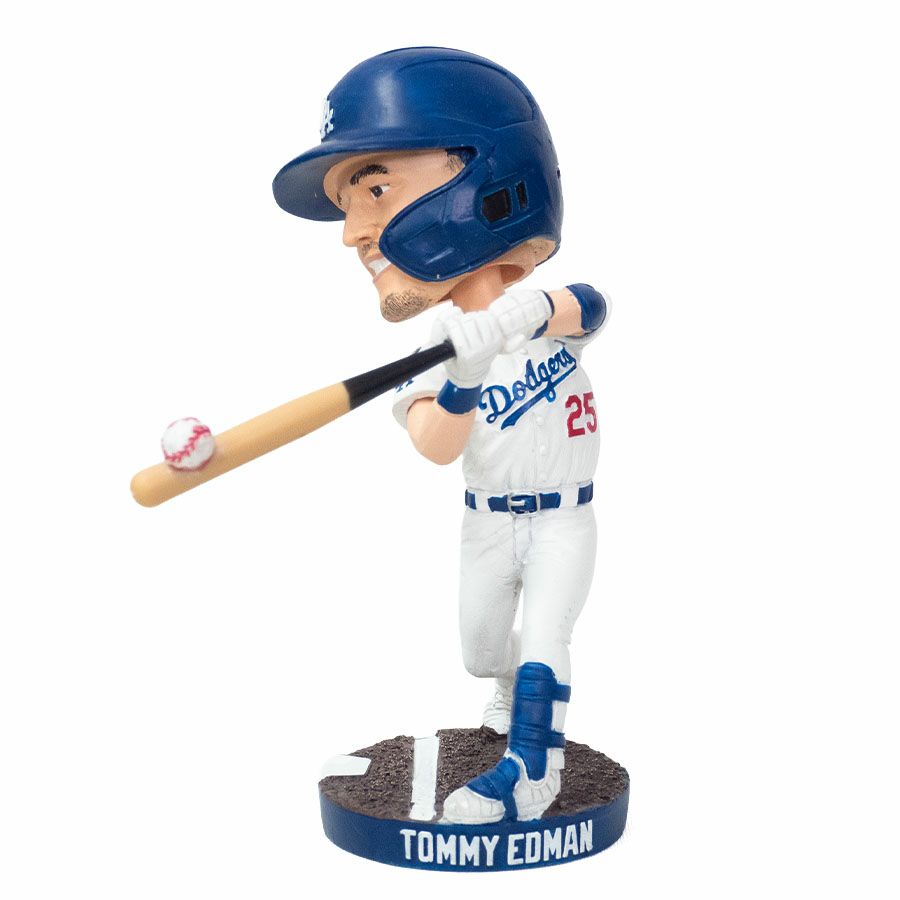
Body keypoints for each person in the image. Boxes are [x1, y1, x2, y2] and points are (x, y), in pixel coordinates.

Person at [272, 47, 607, 825]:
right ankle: (508, 691)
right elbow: (435, 446)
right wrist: (465, 374)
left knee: (544, 639)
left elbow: (592, 305)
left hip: (564, 518)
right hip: (486, 523)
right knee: (483, 653)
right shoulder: (437, 351)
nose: (353, 233)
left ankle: (531, 770)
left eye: (374, 189)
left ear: (482, 185)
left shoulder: (547, 315)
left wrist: (527, 313)